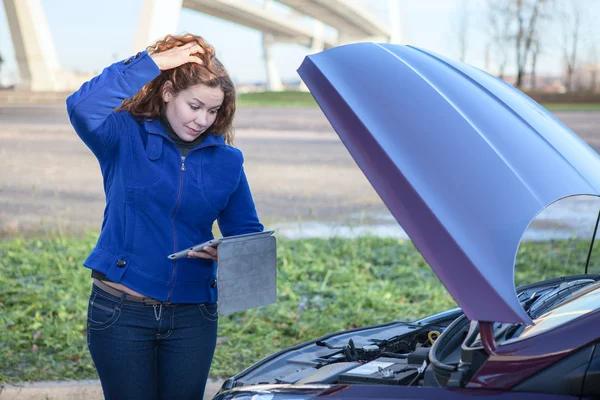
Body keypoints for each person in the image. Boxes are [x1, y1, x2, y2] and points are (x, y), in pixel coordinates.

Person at [66, 33, 263, 399]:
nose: (202, 119)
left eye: (213, 110)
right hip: (121, 312)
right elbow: (82, 106)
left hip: (193, 317)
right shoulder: (124, 135)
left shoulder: (228, 161)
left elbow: (248, 236)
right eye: (194, 106)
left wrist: (231, 252)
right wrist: (152, 62)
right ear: (169, 91)